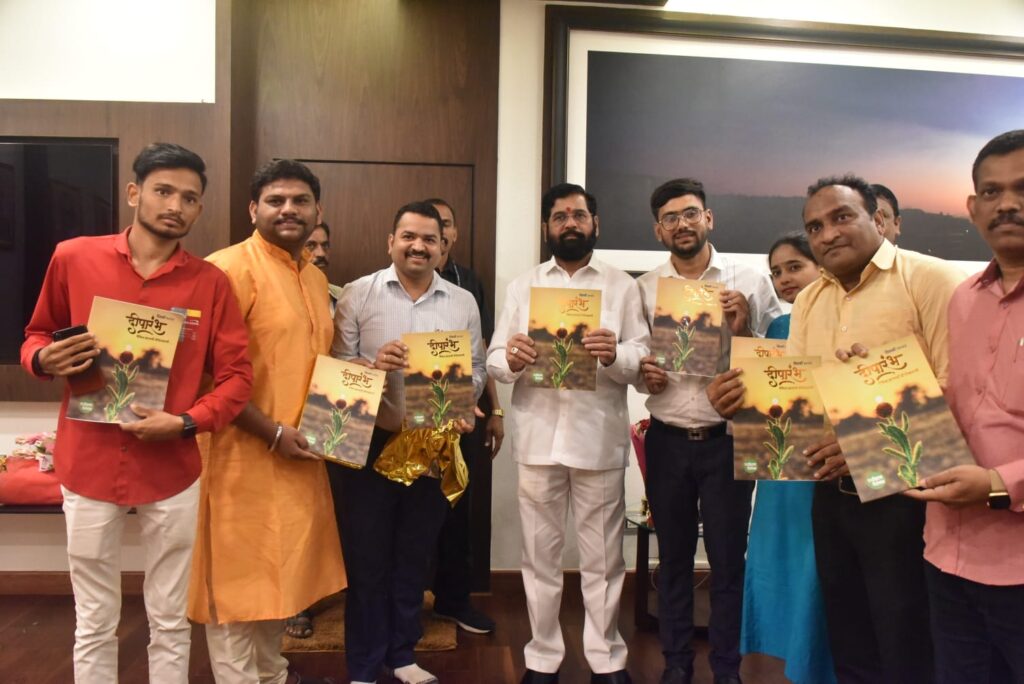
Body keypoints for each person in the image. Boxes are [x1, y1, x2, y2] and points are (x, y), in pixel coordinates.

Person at [707, 174, 963, 684]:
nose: (827, 234)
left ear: (878, 219)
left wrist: (871, 447)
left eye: (841, 217)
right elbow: (800, 401)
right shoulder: (811, 301)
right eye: (815, 227)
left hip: (908, 496)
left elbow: (956, 389)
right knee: (849, 639)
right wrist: (745, 407)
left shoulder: (931, 279)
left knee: (907, 642)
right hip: (830, 496)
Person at [20, 142, 253, 683]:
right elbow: (36, 334)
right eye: (163, 191)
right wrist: (42, 359)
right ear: (134, 193)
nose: (175, 205)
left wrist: (188, 422)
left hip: (172, 468)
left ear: (199, 209)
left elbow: (238, 377)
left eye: (189, 198)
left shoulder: (210, 283)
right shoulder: (73, 257)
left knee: (170, 618)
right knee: (94, 618)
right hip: (88, 461)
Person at [188, 159, 345, 684]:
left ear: (317, 210)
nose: (288, 210)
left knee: (283, 579)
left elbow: (313, 362)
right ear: (253, 209)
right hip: (239, 457)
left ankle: (272, 674)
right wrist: (272, 433)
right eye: (276, 201)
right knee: (237, 589)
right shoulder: (226, 269)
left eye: (300, 201)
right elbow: (204, 374)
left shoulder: (315, 278)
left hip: (300, 455)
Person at [488, 182, 649, 684]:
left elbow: (643, 357)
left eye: (579, 215)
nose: (570, 224)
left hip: (597, 439)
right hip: (538, 439)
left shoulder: (622, 286)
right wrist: (512, 358)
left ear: (595, 223)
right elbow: (494, 359)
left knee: (604, 559)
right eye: (560, 217)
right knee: (539, 558)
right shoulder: (524, 286)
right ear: (547, 227)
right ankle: (542, 657)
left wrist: (616, 353)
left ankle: (607, 659)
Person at [331, 200, 486, 684]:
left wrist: (464, 398)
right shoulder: (357, 294)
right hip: (370, 444)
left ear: (443, 246)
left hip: (432, 445)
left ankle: (401, 656)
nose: (419, 246)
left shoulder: (462, 302)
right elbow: (336, 367)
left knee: (414, 557)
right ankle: (363, 666)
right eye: (409, 237)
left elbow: (478, 369)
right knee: (367, 561)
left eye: (429, 239)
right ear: (391, 242)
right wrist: (372, 367)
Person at [637, 178, 781, 684]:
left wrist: (744, 330)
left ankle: (726, 669)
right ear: (659, 230)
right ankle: (676, 664)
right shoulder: (645, 287)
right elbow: (636, 358)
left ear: (708, 218)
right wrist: (644, 373)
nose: (682, 224)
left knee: (727, 561)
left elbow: (775, 361)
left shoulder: (749, 280)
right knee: (673, 560)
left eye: (690, 213)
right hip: (668, 438)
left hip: (727, 442)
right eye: (671, 218)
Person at [904, 130, 1024, 683]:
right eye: (992, 192)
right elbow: (950, 406)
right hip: (945, 553)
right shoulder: (963, 298)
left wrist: (998, 484)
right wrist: (878, 386)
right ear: (973, 208)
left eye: (1023, 189)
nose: (1008, 205)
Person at [740, 233, 835, 684]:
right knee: (778, 564)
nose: (783, 279)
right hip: (780, 470)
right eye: (776, 272)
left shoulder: (844, 322)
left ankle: (816, 664)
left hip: (826, 466)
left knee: (817, 568)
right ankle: (781, 663)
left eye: (795, 266)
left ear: (822, 266)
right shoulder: (778, 329)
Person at [426, 197, 503, 635]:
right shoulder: (380, 286)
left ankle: (453, 600)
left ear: (452, 235)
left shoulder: (468, 283)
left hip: (461, 414)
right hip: (408, 420)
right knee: (410, 513)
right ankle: (405, 606)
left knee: (457, 509)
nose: (437, 233)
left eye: (445, 224)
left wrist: (496, 409)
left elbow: (484, 351)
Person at [304, 222, 345, 316]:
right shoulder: (285, 296)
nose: (321, 253)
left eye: (325, 246)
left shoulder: (341, 297)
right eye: (310, 246)